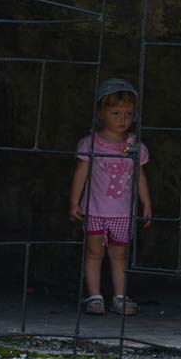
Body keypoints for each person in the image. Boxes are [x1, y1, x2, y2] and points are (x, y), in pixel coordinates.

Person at [69, 78, 152, 316]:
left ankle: (119, 296)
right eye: (115, 112)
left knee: (120, 255)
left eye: (128, 113)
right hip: (95, 209)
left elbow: (140, 176)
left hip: (122, 212)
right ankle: (95, 296)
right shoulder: (90, 143)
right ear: (100, 113)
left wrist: (146, 202)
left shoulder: (135, 146)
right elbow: (81, 173)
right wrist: (74, 202)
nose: (123, 118)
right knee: (95, 253)